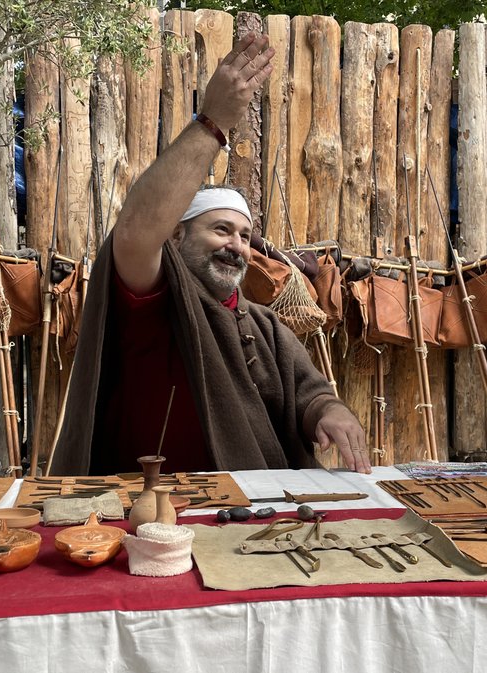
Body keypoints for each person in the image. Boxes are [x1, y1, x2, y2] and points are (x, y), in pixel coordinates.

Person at [51, 32, 370, 476]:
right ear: (176, 238)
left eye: (243, 235)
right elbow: (136, 233)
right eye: (221, 230)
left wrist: (330, 413)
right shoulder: (155, 302)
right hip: (150, 515)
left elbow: (311, 393)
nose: (236, 245)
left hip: (255, 516)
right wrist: (212, 123)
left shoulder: (266, 326)